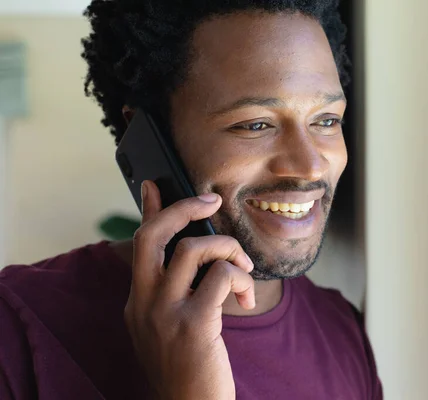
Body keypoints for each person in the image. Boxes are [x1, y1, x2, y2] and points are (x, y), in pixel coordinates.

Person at [0, 0, 382, 398]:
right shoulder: (16, 332)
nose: (309, 167)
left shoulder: (342, 330)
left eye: (326, 121)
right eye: (255, 124)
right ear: (151, 138)